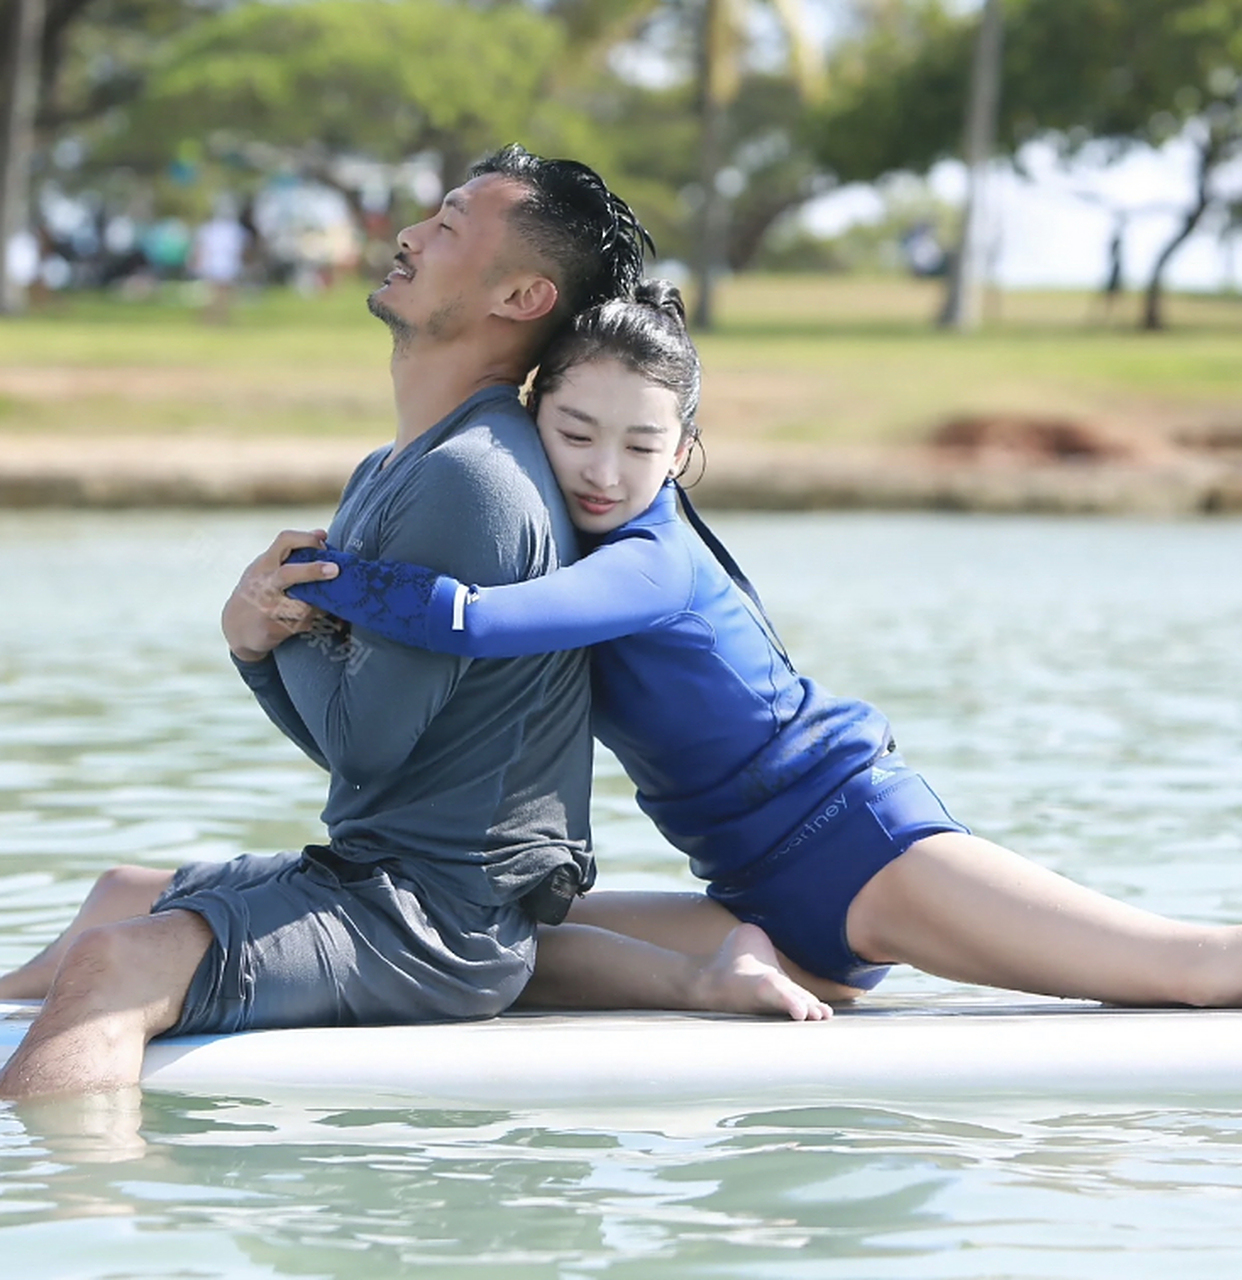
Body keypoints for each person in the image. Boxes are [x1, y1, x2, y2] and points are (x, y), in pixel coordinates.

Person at [282, 279, 1242, 1011]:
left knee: (1188, 969)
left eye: (639, 443)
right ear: (536, 417)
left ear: (683, 449)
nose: (606, 468)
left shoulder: (650, 558)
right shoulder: (576, 531)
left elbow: (470, 621)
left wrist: (324, 573)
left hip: (855, 842)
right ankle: (744, 971)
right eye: (573, 434)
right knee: (500, 936)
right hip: (754, 888)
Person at [0, 150, 827, 1103]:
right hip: (377, 877)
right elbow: (356, 740)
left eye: (449, 224)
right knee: (115, 896)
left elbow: (364, 747)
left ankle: (68, 1216)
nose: (409, 234)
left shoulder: (469, 482)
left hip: (425, 925)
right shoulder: (390, 470)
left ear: (521, 293)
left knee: (112, 966)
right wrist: (258, 646)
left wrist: (277, 633)